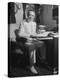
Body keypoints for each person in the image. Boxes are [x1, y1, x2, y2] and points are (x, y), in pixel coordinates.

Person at [17, 10, 46, 74]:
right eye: (30, 14)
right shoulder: (23, 23)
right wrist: (29, 35)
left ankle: (42, 61)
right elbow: (19, 34)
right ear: (27, 15)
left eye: (33, 15)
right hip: (25, 40)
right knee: (32, 47)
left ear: (34, 17)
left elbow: (34, 33)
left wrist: (38, 32)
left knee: (42, 44)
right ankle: (31, 66)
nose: (31, 16)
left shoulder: (34, 23)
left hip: (33, 39)